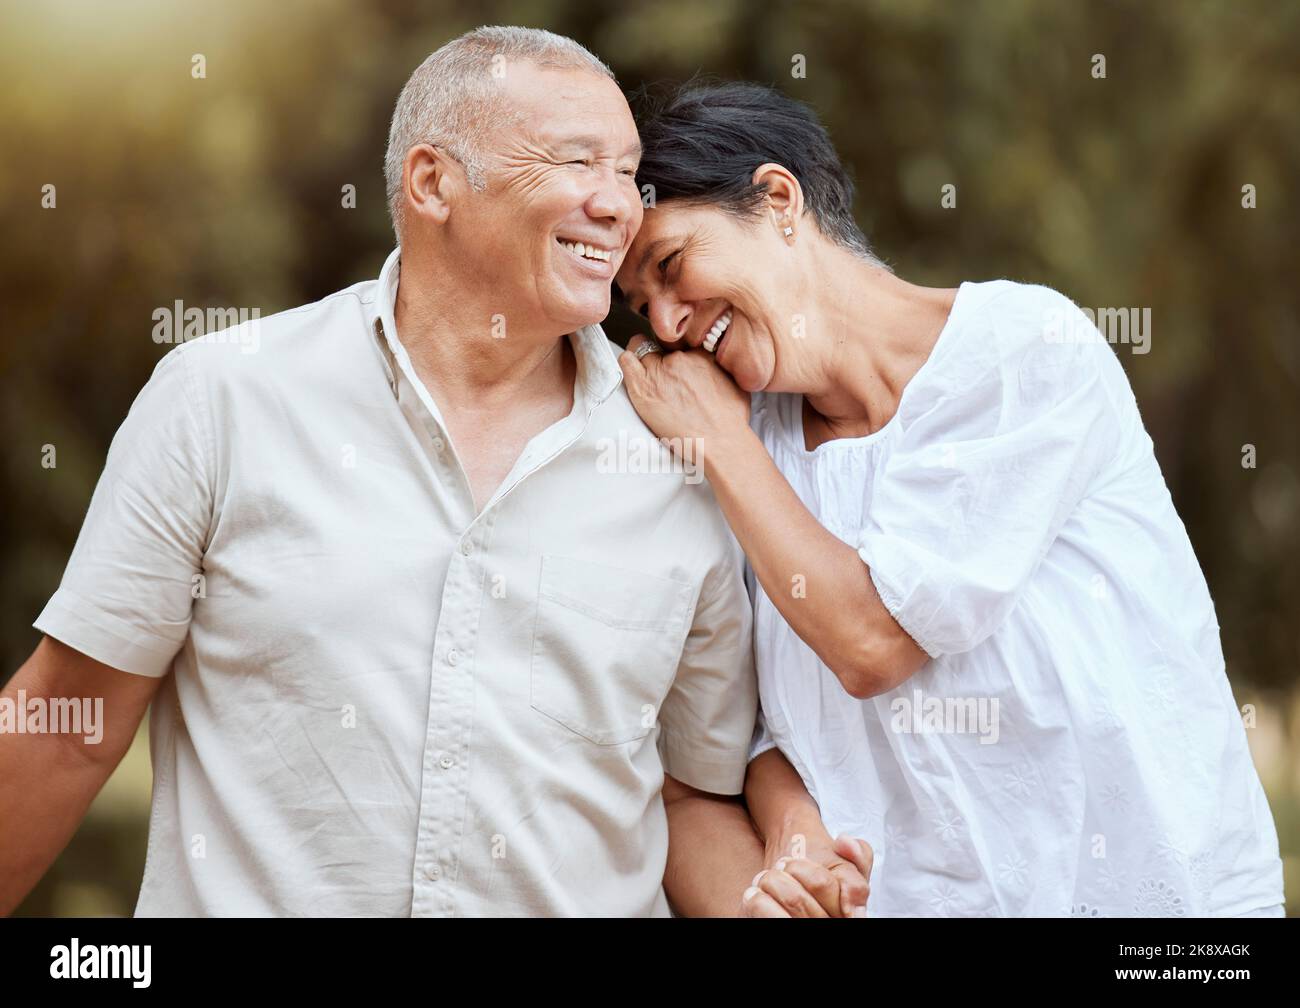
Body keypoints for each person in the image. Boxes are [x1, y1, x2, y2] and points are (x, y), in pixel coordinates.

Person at [1, 30, 870, 918]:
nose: (621, 206)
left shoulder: (684, 453)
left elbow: (688, 795)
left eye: (628, 173)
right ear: (432, 183)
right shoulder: (224, 400)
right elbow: (68, 728)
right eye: (580, 162)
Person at [614, 79, 1285, 916]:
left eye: (672, 267)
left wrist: (720, 444)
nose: (670, 323)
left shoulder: (1017, 354)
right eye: (643, 306)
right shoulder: (751, 447)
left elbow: (873, 638)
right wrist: (796, 839)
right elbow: (757, 732)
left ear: (778, 198)